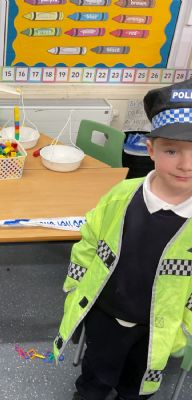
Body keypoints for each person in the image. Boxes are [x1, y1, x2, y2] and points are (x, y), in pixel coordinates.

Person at [53, 78, 192, 400]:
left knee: (137, 386)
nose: (186, 165)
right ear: (151, 150)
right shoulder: (121, 195)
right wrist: (75, 285)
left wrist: (185, 327)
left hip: (157, 327)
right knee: (94, 377)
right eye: (172, 150)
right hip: (107, 313)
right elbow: (89, 242)